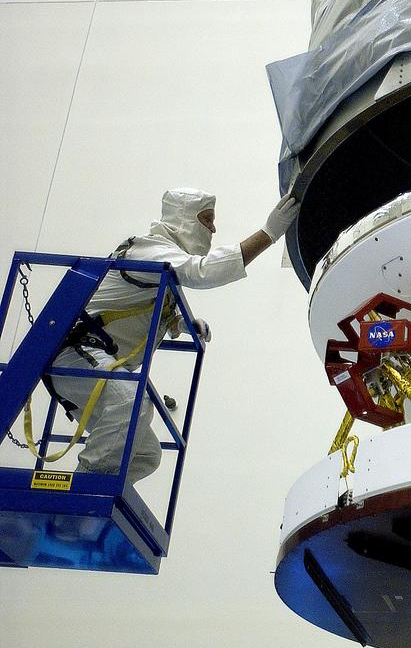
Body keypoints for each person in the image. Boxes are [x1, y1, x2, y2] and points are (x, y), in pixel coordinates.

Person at [48, 188, 299, 486]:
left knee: (146, 455)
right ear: (184, 219)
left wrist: (178, 322)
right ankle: (82, 492)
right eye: (207, 219)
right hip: (76, 355)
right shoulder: (149, 249)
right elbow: (201, 272)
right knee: (134, 401)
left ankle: (99, 492)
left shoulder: (162, 266)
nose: (213, 228)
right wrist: (268, 234)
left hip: (94, 363)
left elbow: (136, 307)